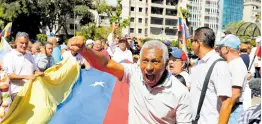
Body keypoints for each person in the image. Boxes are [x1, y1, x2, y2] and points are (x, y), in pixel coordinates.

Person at [68, 36, 192, 124]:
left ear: (165, 64)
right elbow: (105, 63)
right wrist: (84, 50)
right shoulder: (134, 73)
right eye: (145, 61)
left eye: (155, 61)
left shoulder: (180, 93)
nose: (148, 68)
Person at [190, 27, 232, 124]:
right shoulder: (198, 63)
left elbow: (227, 102)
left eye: (192, 41)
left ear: (198, 43)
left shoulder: (218, 65)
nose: (191, 44)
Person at [216, 34, 248, 124]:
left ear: (226, 49)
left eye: (220, 47)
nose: (219, 50)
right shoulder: (233, 64)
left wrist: (224, 111)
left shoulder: (237, 65)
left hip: (233, 111)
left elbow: (235, 93)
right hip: (231, 109)